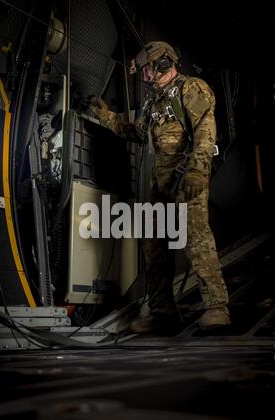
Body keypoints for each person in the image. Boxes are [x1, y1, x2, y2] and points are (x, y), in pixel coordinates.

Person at [88, 41, 231, 333]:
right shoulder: (155, 102)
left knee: (197, 241)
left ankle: (216, 308)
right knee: (154, 247)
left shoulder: (191, 88)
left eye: (147, 70)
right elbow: (137, 132)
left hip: (188, 177)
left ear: (164, 64)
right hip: (161, 186)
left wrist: (197, 170)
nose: (144, 76)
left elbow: (206, 129)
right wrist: (106, 115)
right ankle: (162, 312)